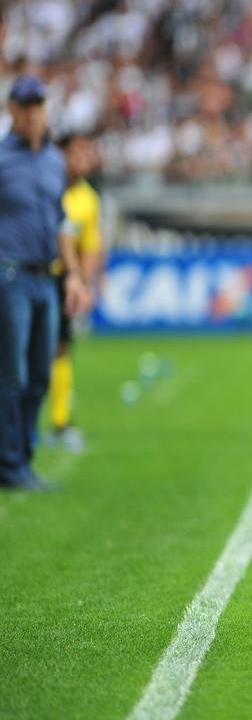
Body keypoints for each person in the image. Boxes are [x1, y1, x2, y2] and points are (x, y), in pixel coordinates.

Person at [0, 75, 89, 490]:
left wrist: (72, 273)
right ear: (12, 110)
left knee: (38, 373)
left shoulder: (54, 161)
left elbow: (60, 223)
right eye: (25, 105)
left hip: (46, 278)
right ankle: (12, 463)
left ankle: (21, 455)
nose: (33, 112)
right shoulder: (2, 159)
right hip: (11, 274)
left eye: (38, 104)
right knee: (11, 372)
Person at [47, 132, 104, 453]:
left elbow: (90, 247)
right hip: (30, 274)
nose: (84, 158)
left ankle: (60, 420)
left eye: (87, 152)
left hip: (61, 280)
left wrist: (84, 282)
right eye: (78, 152)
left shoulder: (88, 199)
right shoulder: (46, 188)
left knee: (61, 348)